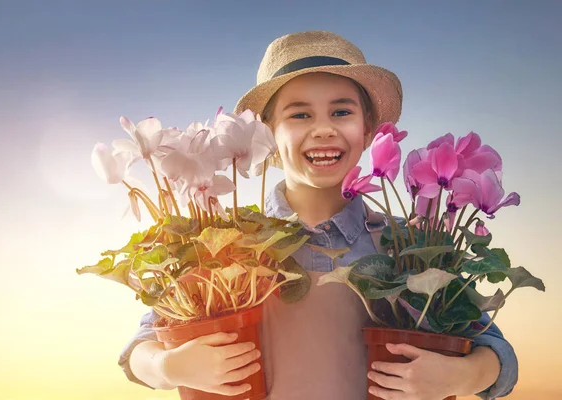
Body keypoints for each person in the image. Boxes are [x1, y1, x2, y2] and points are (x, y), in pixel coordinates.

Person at [118, 31, 518, 400]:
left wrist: (460, 377)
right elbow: (140, 349)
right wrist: (169, 366)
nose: (323, 129)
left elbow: (497, 353)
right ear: (267, 135)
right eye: (300, 115)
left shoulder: (410, 243)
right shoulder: (225, 241)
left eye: (341, 112)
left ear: (368, 132)